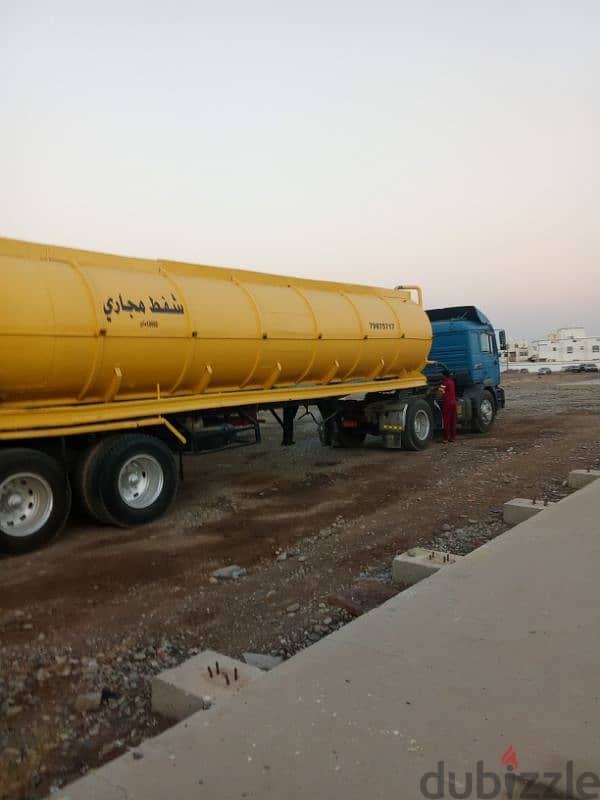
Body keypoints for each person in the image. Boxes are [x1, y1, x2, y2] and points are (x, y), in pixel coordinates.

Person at [440, 368, 457, 443]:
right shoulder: (452, 382)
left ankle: (446, 438)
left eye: (442, 375)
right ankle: (453, 437)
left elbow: (440, 393)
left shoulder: (444, 383)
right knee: (452, 420)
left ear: (444, 376)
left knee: (446, 421)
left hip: (447, 404)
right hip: (453, 403)